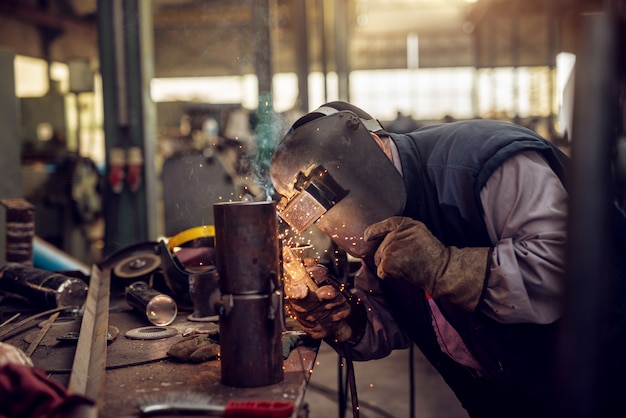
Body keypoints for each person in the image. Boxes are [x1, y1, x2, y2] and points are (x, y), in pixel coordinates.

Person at [269, 101, 626, 418]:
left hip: (599, 386)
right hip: (500, 399)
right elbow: (389, 320)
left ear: (372, 147)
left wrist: (446, 268)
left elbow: (572, 272)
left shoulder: (484, 162)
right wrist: (344, 317)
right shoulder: (377, 217)